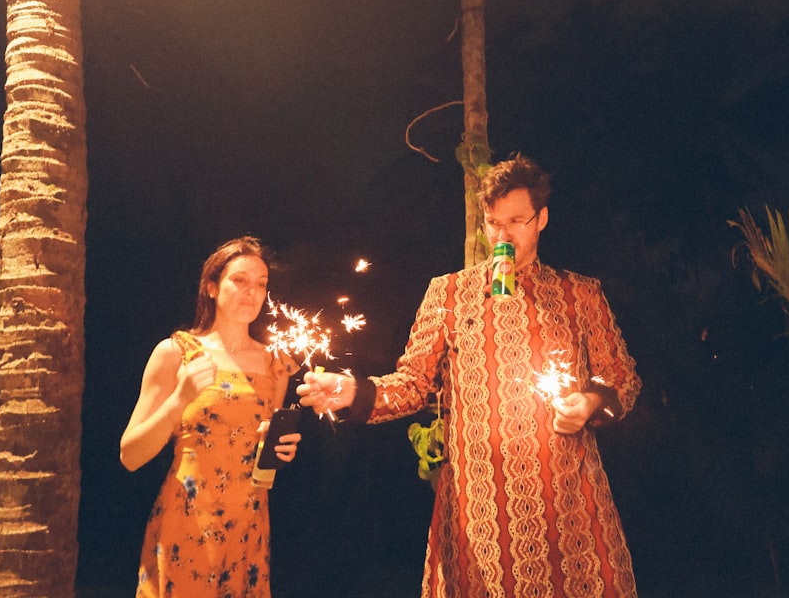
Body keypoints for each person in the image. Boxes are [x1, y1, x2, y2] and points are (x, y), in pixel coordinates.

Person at [299, 154, 642, 598]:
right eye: (493, 223)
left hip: (567, 504)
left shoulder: (580, 294)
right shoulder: (449, 293)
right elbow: (412, 385)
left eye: (516, 221)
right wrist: (353, 392)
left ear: (541, 220)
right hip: (480, 510)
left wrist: (591, 404)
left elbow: (623, 378)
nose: (502, 235)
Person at [120, 236, 301, 598]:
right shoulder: (177, 353)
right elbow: (130, 455)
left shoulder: (276, 364)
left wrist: (279, 451)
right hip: (187, 520)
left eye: (261, 284)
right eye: (240, 280)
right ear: (212, 286)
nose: (252, 292)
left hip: (248, 525)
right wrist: (178, 401)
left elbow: (264, 470)